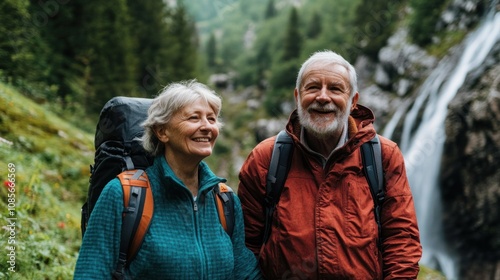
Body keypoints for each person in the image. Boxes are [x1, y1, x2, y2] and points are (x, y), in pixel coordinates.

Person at [238, 50, 422, 279]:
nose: (323, 97)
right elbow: (246, 247)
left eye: (335, 89)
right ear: (298, 96)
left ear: (353, 101)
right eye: (313, 87)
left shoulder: (383, 155)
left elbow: (401, 241)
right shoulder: (266, 158)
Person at [74, 80, 262, 279]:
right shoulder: (123, 194)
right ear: (162, 131)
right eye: (193, 118)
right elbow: (91, 272)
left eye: (212, 119)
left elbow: (244, 272)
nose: (207, 127)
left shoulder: (225, 201)